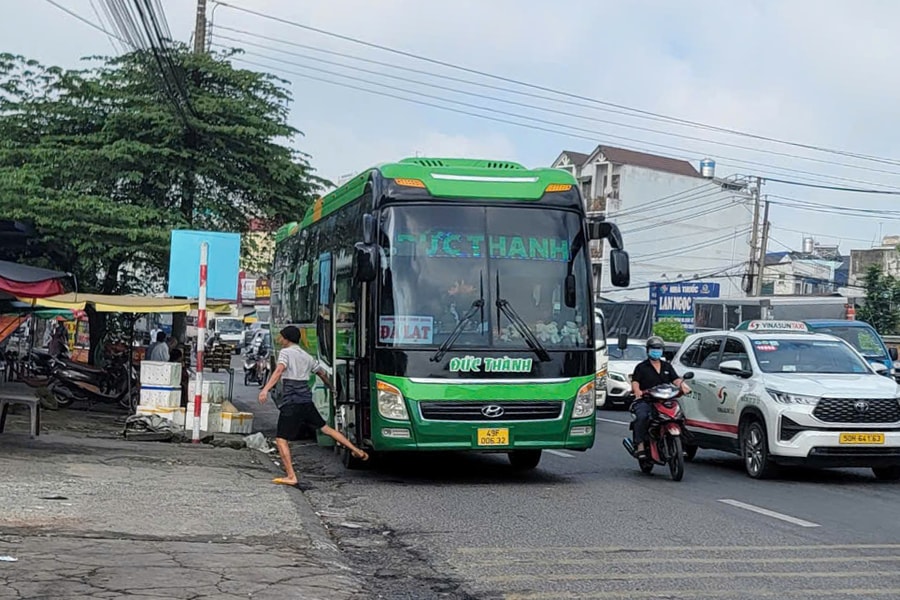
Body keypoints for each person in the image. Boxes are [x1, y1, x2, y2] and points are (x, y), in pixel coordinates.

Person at [258, 325, 369, 488]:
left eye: (281, 337)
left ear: (287, 338)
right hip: (306, 401)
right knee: (326, 429)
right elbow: (322, 374)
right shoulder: (307, 356)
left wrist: (265, 389)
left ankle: (291, 476)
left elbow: (279, 370)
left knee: (281, 439)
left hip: (292, 402)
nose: (279, 339)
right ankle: (357, 450)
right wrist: (331, 387)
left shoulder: (285, 353)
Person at [630, 336, 690, 460]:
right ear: (648, 350)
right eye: (653, 348)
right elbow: (635, 381)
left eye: (659, 348)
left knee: (680, 416)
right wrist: (637, 391)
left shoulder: (667, 366)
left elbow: (676, 379)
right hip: (647, 400)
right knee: (642, 417)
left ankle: (682, 445)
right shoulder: (641, 367)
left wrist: (683, 385)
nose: (656, 351)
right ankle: (640, 446)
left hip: (665, 399)